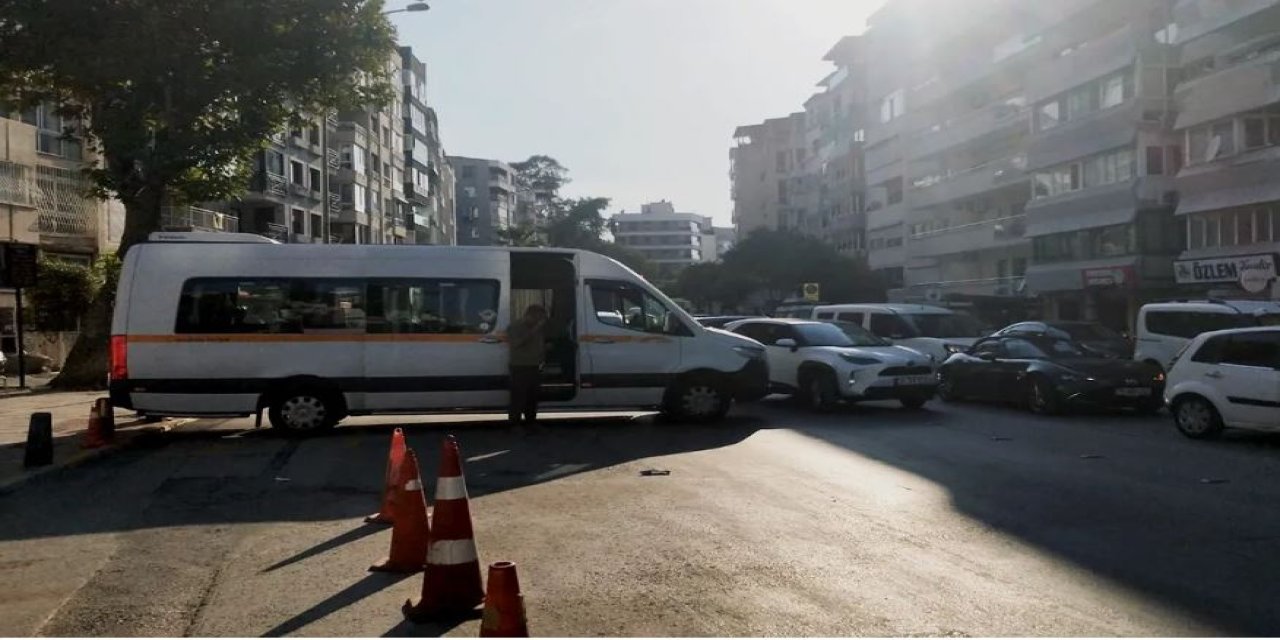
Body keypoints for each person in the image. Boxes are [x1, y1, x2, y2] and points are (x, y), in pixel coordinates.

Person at [507, 304, 547, 424]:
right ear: (530, 315)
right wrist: (533, 331)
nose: (539, 320)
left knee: (532, 397)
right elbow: (516, 343)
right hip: (520, 366)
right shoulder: (515, 326)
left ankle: (531, 423)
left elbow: (536, 345)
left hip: (534, 366)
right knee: (519, 397)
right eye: (537, 317)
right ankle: (514, 424)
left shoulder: (537, 328)